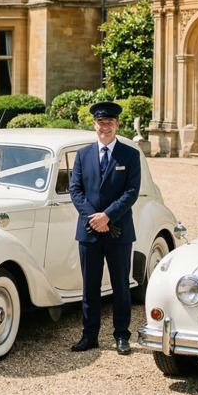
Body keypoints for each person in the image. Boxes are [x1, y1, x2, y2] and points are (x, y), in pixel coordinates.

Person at [69, 101, 141, 354]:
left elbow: (132, 192)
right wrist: (94, 218)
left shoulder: (130, 155)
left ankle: (122, 336)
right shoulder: (83, 155)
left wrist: (108, 216)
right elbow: (75, 190)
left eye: (110, 122)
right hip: (89, 231)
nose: (105, 127)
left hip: (119, 231)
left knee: (121, 285)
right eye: (101, 122)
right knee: (90, 286)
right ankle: (89, 336)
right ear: (94, 124)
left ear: (117, 124)